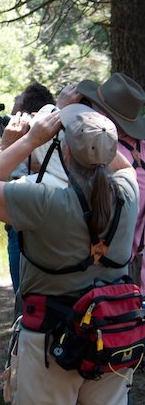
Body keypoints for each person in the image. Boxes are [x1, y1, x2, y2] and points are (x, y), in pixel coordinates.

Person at [0, 104, 137, 405]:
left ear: (65, 152)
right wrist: (98, 136)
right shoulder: (127, 194)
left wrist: (28, 140)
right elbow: (122, 167)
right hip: (110, 335)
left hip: (50, 340)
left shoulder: (44, 202)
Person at [57, 73, 145, 291]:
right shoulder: (141, 148)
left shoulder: (101, 153)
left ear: (104, 113)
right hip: (135, 261)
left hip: (103, 264)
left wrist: (60, 110)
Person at [0, 83, 55, 294]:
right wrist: (1, 124)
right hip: (52, 220)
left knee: (24, 293)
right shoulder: (55, 138)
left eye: (16, 113)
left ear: (25, 115)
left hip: (21, 227)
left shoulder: (27, 147)